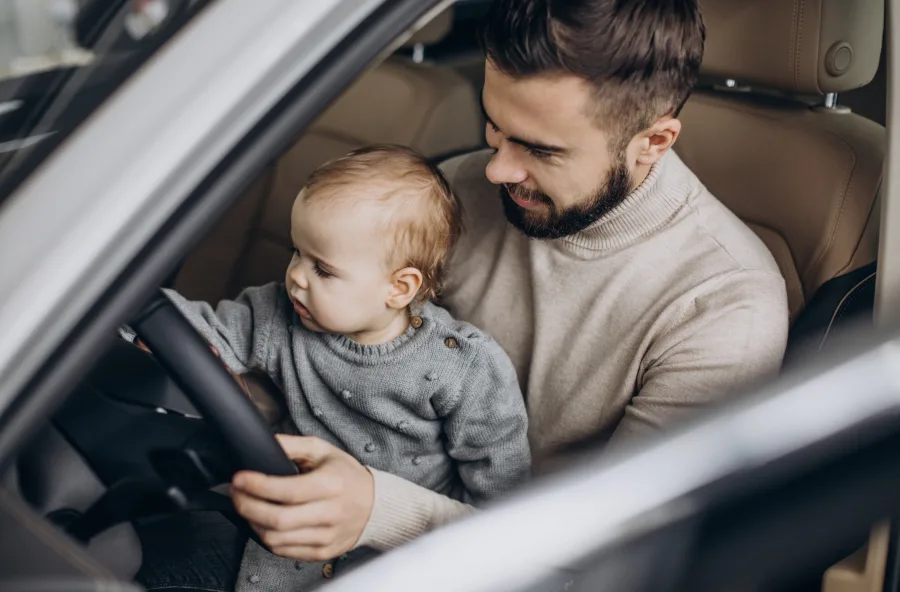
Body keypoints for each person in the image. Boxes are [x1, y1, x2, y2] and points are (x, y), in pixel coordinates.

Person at [137, 1, 789, 589]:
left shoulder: (725, 309)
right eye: (495, 128)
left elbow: (617, 562)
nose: (498, 169)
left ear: (653, 143)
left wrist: (379, 512)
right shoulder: (464, 188)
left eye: (539, 149)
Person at [133, 145, 530, 590]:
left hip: (399, 566)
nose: (297, 277)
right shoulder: (276, 315)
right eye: (295, 252)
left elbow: (501, 492)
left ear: (399, 288)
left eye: (323, 269)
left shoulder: (465, 365)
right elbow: (196, 333)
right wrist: (129, 322)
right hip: (284, 545)